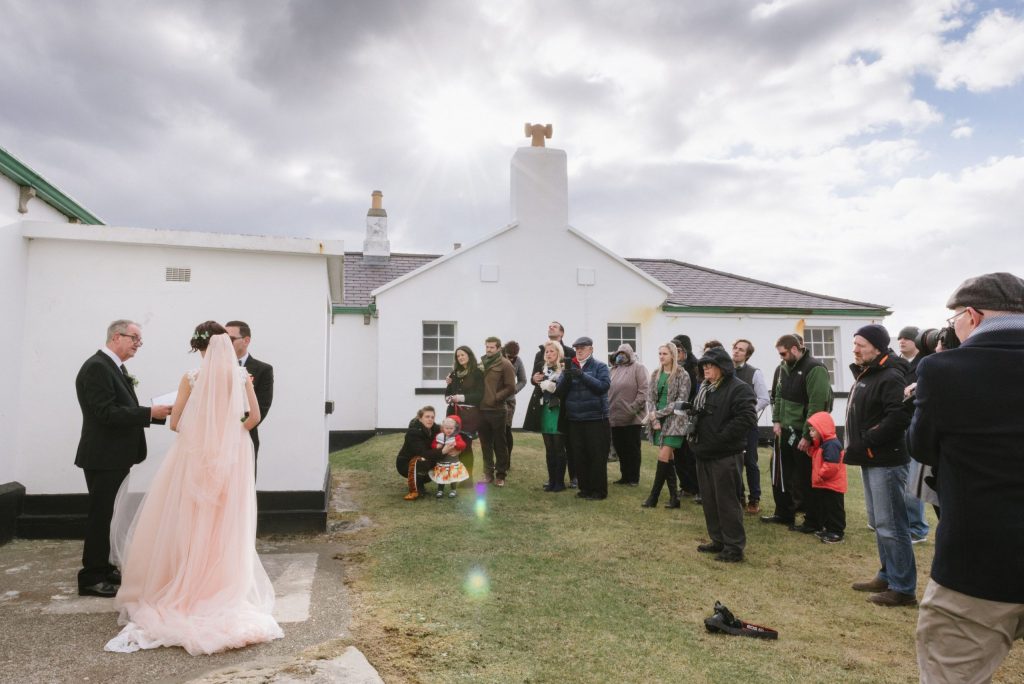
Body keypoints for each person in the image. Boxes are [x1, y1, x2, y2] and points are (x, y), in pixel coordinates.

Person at [105, 324, 283, 655]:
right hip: (232, 460)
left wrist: (203, 432)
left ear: (198, 348)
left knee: (189, 518)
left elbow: (175, 423)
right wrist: (230, 434)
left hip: (196, 457)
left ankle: (186, 584)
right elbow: (254, 417)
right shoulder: (242, 378)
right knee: (225, 521)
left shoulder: (191, 377)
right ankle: (220, 586)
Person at [910, 273, 1024, 681]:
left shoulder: (943, 370)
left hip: (978, 561)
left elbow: (920, 447)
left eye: (956, 317)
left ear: (972, 316)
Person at [74, 319, 172, 598]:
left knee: (110, 514)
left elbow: (119, 407)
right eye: (135, 338)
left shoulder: (114, 367)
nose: (138, 344)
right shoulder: (96, 367)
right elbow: (105, 413)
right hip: (103, 456)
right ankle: (91, 577)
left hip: (115, 456)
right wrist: (148, 413)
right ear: (116, 337)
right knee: (100, 516)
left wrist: (149, 414)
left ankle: (103, 567)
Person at [845, 324, 916, 607]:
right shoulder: (870, 373)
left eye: (861, 344)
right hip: (870, 456)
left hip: (884, 459)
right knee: (878, 521)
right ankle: (887, 575)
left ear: (877, 346)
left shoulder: (890, 376)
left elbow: (898, 417)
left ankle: (903, 588)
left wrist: (868, 440)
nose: (855, 349)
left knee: (892, 524)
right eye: (855, 344)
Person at [690, 347, 756, 563]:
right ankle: (718, 539)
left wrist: (719, 439)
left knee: (727, 500)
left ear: (723, 367)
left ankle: (734, 547)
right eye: (704, 366)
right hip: (705, 451)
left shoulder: (739, 389)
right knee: (709, 499)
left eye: (711, 365)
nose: (706, 369)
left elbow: (745, 419)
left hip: (725, 453)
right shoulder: (707, 388)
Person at [762, 334, 831, 531]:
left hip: (802, 432)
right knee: (782, 474)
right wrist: (776, 420)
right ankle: (784, 514)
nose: (781, 357)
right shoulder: (783, 368)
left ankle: (813, 521)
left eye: (783, 353)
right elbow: (779, 396)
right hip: (784, 430)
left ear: (794, 349)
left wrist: (808, 436)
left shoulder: (815, 368)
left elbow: (818, 405)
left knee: (806, 477)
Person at [525, 321, 578, 486]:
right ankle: (553, 479)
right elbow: (535, 377)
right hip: (544, 406)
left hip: (560, 408)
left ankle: (569, 479)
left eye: (551, 351)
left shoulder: (567, 357)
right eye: (546, 351)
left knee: (563, 446)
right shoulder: (541, 359)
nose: (548, 353)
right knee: (550, 447)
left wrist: (555, 385)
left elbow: (570, 382)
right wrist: (535, 379)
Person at [558, 337, 611, 501]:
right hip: (575, 418)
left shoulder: (600, 366)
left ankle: (599, 491)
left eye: (582, 348)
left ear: (591, 349)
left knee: (596, 456)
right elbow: (560, 391)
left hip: (596, 418)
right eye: (576, 348)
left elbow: (603, 387)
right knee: (579, 455)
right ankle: (585, 488)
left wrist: (582, 376)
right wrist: (566, 378)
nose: (579, 351)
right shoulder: (570, 366)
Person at [641, 343, 690, 509]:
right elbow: (650, 398)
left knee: (663, 457)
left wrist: (657, 414)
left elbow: (680, 402)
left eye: (665, 354)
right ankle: (674, 498)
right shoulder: (656, 373)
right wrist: (654, 419)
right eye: (660, 353)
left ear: (673, 356)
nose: (661, 356)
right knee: (668, 458)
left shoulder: (683, 375)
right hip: (658, 420)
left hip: (676, 421)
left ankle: (653, 497)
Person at [896, 325, 930, 544]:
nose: (902, 341)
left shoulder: (926, 363)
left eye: (907, 338)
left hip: (916, 424)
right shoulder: (896, 364)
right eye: (899, 337)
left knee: (913, 480)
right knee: (902, 479)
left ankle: (917, 528)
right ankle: (907, 524)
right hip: (898, 424)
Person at [225, 321, 273, 467]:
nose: (226, 343)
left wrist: (237, 428)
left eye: (231, 339)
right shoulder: (216, 368)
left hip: (245, 435)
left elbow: (262, 406)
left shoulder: (263, 369)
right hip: (217, 437)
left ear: (246, 340)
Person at [731, 339, 770, 514]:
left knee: (750, 462)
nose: (736, 351)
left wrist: (748, 411)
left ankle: (754, 499)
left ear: (747, 354)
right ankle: (739, 496)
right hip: (730, 424)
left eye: (741, 350)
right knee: (733, 461)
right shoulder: (726, 371)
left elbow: (764, 398)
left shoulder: (755, 373)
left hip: (748, 425)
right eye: (735, 348)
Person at [608, 343, 648, 487]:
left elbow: (644, 391)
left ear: (630, 354)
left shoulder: (639, 368)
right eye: (619, 353)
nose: (621, 355)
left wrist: (633, 408)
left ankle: (633, 478)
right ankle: (624, 476)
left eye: (624, 353)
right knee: (620, 448)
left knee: (632, 449)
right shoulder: (613, 370)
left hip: (632, 417)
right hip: (615, 417)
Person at [478, 337, 516, 486]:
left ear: (499, 348)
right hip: (481, 410)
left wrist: (496, 398)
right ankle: (488, 474)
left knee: (500, 444)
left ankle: (501, 475)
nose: (488, 350)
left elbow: (511, 387)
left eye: (492, 347)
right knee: (485, 444)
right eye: (487, 347)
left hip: (498, 410)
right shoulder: (482, 363)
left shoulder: (506, 364)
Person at [396, 406, 456, 500]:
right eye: (427, 417)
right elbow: (423, 453)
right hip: (406, 464)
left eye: (432, 417)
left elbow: (450, 430)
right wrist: (443, 451)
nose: (430, 419)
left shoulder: (434, 428)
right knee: (422, 460)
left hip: (423, 459)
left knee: (435, 461)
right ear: (420, 418)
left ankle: (420, 482)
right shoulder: (413, 432)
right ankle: (418, 489)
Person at [805, 411, 847, 544]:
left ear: (822, 429)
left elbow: (831, 466)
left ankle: (836, 532)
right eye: (810, 430)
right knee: (827, 508)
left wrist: (820, 475)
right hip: (825, 484)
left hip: (832, 485)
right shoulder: (823, 444)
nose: (811, 433)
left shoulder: (831, 444)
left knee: (834, 509)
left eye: (813, 430)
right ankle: (829, 529)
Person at [444, 346, 483, 479]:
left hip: (468, 415)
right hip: (453, 415)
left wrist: (460, 398)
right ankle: (453, 476)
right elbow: (448, 393)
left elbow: (480, 395)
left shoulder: (477, 373)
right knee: (452, 444)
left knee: (465, 445)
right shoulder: (454, 373)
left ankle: (467, 479)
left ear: (469, 355)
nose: (460, 357)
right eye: (458, 356)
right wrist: (449, 396)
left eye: (462, 355)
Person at [671, 334, 701, 500]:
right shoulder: (673, 367)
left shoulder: (695, 367)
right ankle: (686, 486)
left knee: (690, 455)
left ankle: (696, 487)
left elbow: (696, 392)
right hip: (675, 414)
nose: (677, 353)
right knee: (679, 454)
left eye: (679, 350)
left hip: (689, 415)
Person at [430, 415, 469, 498]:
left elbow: (463, 445)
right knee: (441, 477)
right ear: (443, 428)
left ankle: (453, 490)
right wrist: (436, 446)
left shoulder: (456, 437)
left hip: (452, 462)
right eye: (447, 428)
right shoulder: (439, 436)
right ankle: (440, 490)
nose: (449, 430)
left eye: (451, 428)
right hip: (442, 462)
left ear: (455, 429)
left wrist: (456, 444)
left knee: (453, 477)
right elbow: (433, 444)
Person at [502, 341, 528, 458]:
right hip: (495, 400)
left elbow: (523, 380)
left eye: (514, 357)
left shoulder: (518, 361)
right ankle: (499, 459)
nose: (512, 359)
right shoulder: (496, 358)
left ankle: (507, 460)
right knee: (496, 431)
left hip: (509, 401)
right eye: (509, 357)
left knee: (506, 429)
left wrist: (514, 390)